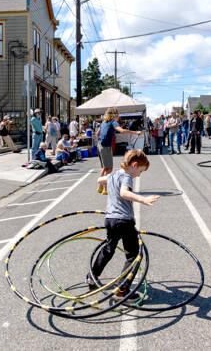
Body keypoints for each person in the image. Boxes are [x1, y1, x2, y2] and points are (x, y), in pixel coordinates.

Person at [87, 150, 159, 299]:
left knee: (108, 249)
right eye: (140, 171)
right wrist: (143, 199)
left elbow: (99, 180)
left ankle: (92, 276)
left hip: (110, 219)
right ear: (134, 165)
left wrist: (106, 183)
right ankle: (122, 288)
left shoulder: (113, 175)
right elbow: (124, 193)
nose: (139, 175)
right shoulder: (127, 177)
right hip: (124, 220)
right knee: (134, 254)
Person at [96, 107, 141, 195]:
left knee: (105, 167)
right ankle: (105, 188)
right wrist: (135, 132)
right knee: (109, 168)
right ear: (114, 114)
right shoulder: (113, 122)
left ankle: (100, 187)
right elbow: (122, 131)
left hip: (100, 145)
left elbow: (97, 133)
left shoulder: (103, 122)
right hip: (105, 146)